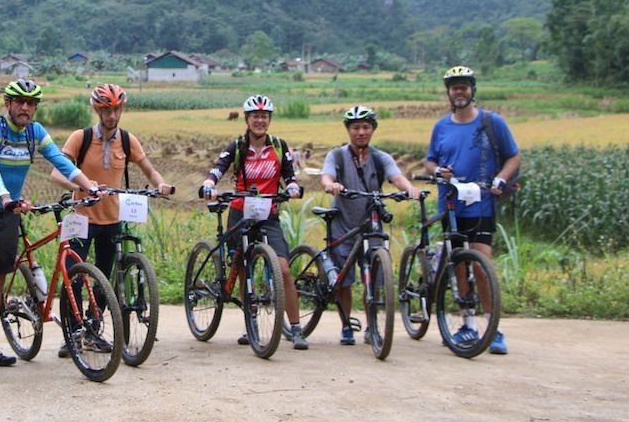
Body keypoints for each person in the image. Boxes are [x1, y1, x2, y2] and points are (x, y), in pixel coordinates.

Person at [0, 79, 101, 379]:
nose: (25, 107)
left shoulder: (35, 133)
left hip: (9, 215)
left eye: (31, 103)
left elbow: (60, 162)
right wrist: (5, 198)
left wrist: (89, 186)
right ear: (7, 103)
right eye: (19, 101)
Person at [49, 83, 174, 357]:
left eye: (116, 109)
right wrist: (81, 185)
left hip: (111, 220)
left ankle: (92, 330)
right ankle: (71, 334)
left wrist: (161, 184)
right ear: (96, 110)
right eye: (106, 110)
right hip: (80, 217)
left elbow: (150, 170)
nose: (112, 116)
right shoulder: (80, 138)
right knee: (75, 277)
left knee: (105, 278)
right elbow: (55, 174)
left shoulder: (127, 140)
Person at [200, 94, 309, 350]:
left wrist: (292, 187)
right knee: (241, 264)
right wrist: (209, 183)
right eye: (255, 116)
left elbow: (290, 176)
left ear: (269, 120)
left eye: (264, 116)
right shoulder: (237, 146)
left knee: (282, 269)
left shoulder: (280, 146)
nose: (260, 120)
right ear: (247, 119)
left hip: (268, 214)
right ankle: (252, 325)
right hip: (240, 211)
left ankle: (295, 328)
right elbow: (218, 168)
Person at [425, 66, 520, 355]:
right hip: (451, 205)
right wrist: (439, 171)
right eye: (454, 87)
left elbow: (514, 156)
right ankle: (467, 323)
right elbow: (429, 162)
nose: (459, 91)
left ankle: (493, 327)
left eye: (464, 86)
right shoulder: (441, 127)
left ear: (472, 90)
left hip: (481, 204)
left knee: (480, 265)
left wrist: (501, 179)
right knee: (459, 265)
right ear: (449, 93)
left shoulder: (493, 122)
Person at [321, 105, 421, 345]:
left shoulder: (380, 157)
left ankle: (372, 326)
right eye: (356, 127)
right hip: (344, 225)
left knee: (374, 278)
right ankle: (346, 325)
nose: (361, 132)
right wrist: (331, 185)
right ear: (348, 130)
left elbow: (396, 176)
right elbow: (327, 175)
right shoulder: (337, 155)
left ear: (373, 129)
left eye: (366, 127)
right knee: (343, 280)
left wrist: (409, 189)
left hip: (372, 225)